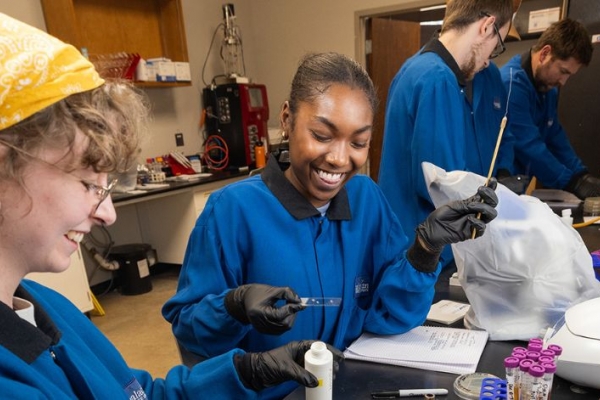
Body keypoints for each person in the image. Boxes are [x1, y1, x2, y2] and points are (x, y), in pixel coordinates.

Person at [0, 12, 342, 399]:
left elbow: (136, 393)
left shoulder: (46, 306)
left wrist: (248, 373)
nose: (107, 213)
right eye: (86, 182)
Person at [162, 51, 499, 399]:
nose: (340, 159)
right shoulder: (232, 210)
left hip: (350, 387)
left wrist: (424, 250)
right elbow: (189, 328)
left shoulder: (366, 199)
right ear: (288, 118)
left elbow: (391, 317)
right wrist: (233, 306)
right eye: (322, 135)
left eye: (358, 142)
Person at [377, 0, 515, 268]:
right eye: (496, 46)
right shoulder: (439, 79)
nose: (489, 61)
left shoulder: (414, 67)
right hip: (424, 252)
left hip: (406, 243)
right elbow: (444, 187)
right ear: (487, 27)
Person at [498, 18, 599, 199]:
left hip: (519, 190)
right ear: (545, 53)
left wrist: (581, 174)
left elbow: (554, 135)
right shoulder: (512, 84)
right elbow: (528, 145)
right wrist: (571, 182)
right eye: (563, 71)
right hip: (501, 188)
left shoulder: (546, 86)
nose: (563, 82)